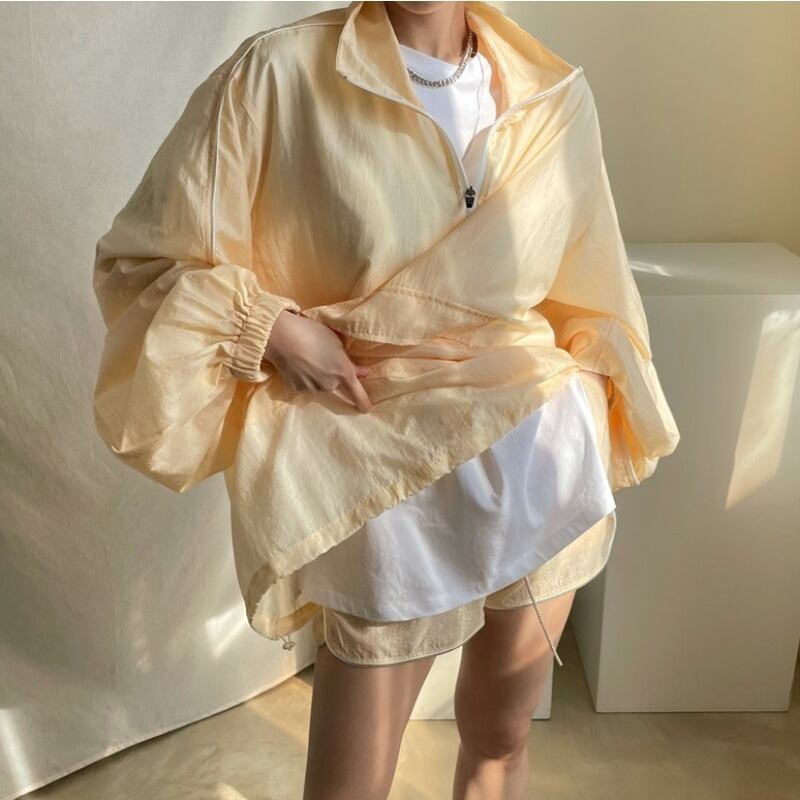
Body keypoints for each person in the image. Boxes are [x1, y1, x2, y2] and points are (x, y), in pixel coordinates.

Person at [91, 2, 680, 799]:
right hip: (379, 474)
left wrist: (585, 409)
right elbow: (144, 263)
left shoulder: (552, 96)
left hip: (536, 461)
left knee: (500, 740)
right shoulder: (277, 76)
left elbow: (590, 294)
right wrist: (275, 330)